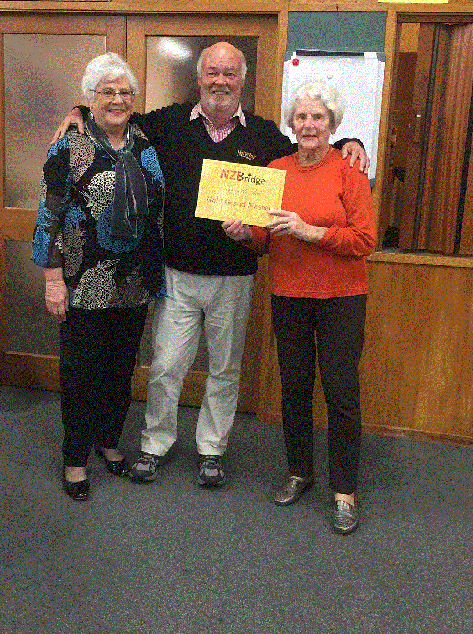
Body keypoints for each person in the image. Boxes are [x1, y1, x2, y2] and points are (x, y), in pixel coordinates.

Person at [52, 42, 368, 489]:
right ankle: (155, 443)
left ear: (242, 80)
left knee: (224, 369)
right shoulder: (165, 124)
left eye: (230, 74)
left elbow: (308, 151)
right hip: (176, 274)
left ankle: (212, 450)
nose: (220, 81)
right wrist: (78, 110)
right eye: (212, 73)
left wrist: (348, 142)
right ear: (200, 78)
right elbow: (114, 113)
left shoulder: (263, 136)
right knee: (166, 366)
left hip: (236, 277)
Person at [223, 78, 375, 534]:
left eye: (318, 117)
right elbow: (266, 238)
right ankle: (299, 472)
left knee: (341, 394)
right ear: (292, 123)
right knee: (293, 390)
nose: (309, 124)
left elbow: (365, 240)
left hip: (341, 299)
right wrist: (245, 235)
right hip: (288, 294)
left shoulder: (350, 171)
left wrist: (311, 232)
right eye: (302, 117)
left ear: (332, 125)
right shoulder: (275, 169)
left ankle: (344, 491)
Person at [33, 53, 164, 501]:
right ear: (91, 97)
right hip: (84, 280)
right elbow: (48, 215)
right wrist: (53, 278)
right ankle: (75, 458)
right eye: (107, 91)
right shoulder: (70, 144)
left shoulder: (145, 142)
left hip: (133, 282)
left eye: (125, 91)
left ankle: (108, 441)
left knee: (119, 369)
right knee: (80, 372)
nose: (117, 99)